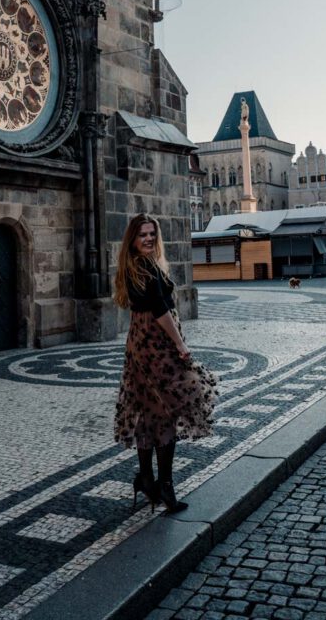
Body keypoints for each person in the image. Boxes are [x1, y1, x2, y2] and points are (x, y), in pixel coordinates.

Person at [114, 214, 216, 515]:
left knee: (149, 412)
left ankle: (147, 480)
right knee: (169, 410)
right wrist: (180, 345)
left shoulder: (134, 265)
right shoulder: (144, 267)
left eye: (151, 234)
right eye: (142, 234)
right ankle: (165, 485)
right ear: (133, 239)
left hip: (140, 343)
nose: (148, 238)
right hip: (156, 345)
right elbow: (161, 310)